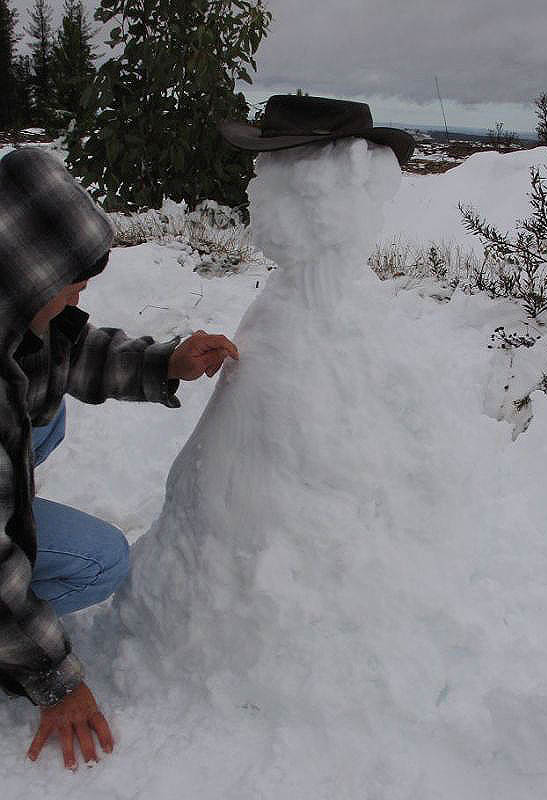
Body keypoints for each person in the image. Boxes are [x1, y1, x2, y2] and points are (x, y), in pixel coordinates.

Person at [0, 147, 239, 770]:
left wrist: (165, 362)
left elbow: (70, 353)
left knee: (42, 423)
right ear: (29, 271)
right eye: (72, 277)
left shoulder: (14, 312)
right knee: (99, 561)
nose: (81, 289)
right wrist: (53, 678)